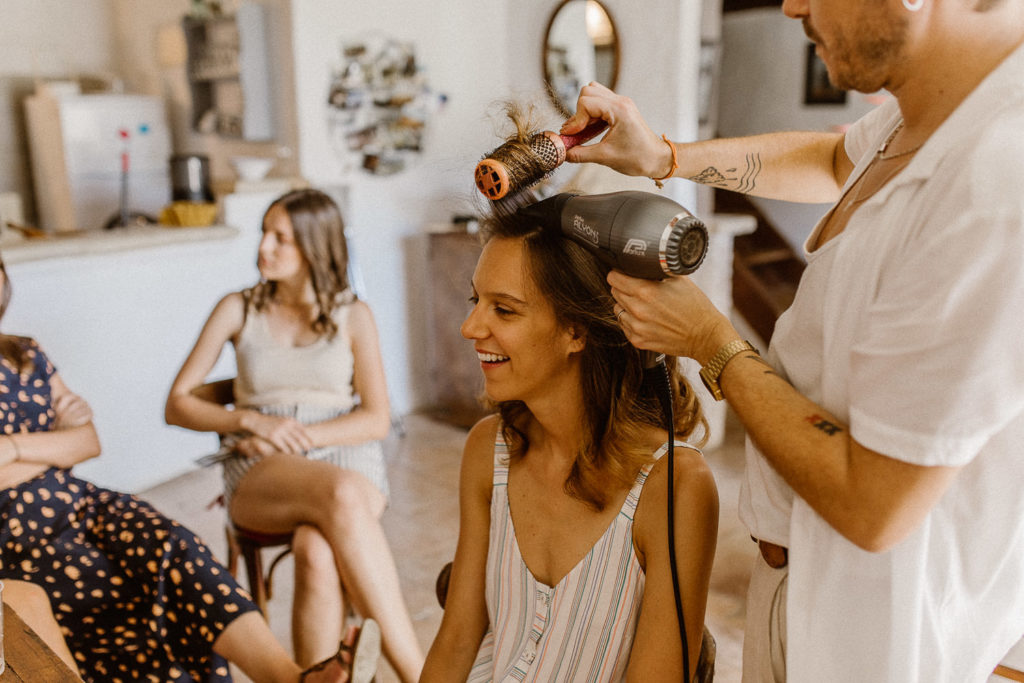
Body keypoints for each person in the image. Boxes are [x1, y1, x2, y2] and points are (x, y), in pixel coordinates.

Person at [556, 0, 1024, 679]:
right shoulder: (929, 110)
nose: (792, 5)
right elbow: (836, 158)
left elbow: (875, 502)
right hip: (800, 585)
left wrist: (710, 339)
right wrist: (663, 155)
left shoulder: (996, 182)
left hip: (885, 629)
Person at [0, 252, 374, 683]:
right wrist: (49, 444)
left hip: (82, 504)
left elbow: (87, 441)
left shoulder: (25, 353)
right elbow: (66, 443)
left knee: (173, 544)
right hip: (13, 531)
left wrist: (12, 448)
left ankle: (288, 677)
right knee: (110, 598)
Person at [420, 191, 719, 682]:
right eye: (478, 300)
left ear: (576, 331)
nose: (470, 326)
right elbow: (456, 643)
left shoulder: (674, 487)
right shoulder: (488, 449)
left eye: (506, 310)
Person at [165, 188, 424, 682]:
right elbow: (177, 403)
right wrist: (250, 421)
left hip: (345, 450)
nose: (263, 246)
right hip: (264, 465)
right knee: (343, 495)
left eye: (280, 238)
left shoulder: (354, 314)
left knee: (316, 547)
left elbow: (374, 418)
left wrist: (300, 434)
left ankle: (315, 678)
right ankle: (420, 675)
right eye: (264, 233)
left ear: (314, 246)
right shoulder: (237, 307)